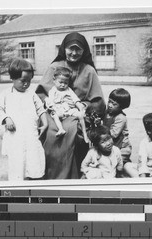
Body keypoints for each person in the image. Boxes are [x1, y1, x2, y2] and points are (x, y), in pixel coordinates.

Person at [36, 32, 106, 179]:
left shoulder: (89, 70)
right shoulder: (54, 67)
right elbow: (41, 93)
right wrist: (50, 105)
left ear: (84, 51)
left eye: (78, 49)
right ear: (63, 49)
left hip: (77, 112)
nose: (74, 53)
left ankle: (69, 176)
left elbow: (98, 100)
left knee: (71, 130)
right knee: (50, 131)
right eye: (70, 48)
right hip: (54, 110)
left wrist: (84, 106)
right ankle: (48, 173)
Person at [0, 58, 48, 181]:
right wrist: (6, 118)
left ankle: (33, 179)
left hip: (31, 133)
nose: (26, 84)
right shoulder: (6, 94)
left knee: (33, 158)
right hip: (15, 136)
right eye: (22, 80)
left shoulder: (32, 94)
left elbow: (41, 109)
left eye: (29, 81)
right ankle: (18, 183)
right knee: (17, 161)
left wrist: (45, 123)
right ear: (13, 78)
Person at [45, 66, 89, 143]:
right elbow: (51, 101)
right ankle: (61, 129)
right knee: (54, 115)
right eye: (60, 82)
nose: (63, 85)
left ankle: (85, 134)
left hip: (69, 110)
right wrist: (51, 106)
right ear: (54, 80)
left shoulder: (69, 90)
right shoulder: (53, 91)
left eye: (66, 83)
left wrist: (80, 107)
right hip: (59, 110)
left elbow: (75, 99)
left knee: (81, 115)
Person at [103, 88, 132, 176]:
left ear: (121, 106)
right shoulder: (107, 113)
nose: (110, 105)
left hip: (122, 148)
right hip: (112, 145)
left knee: (117, 166)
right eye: (109, 101)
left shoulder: (120, 118)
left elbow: (113, 134)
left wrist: (100, 129)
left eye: (114, 104)